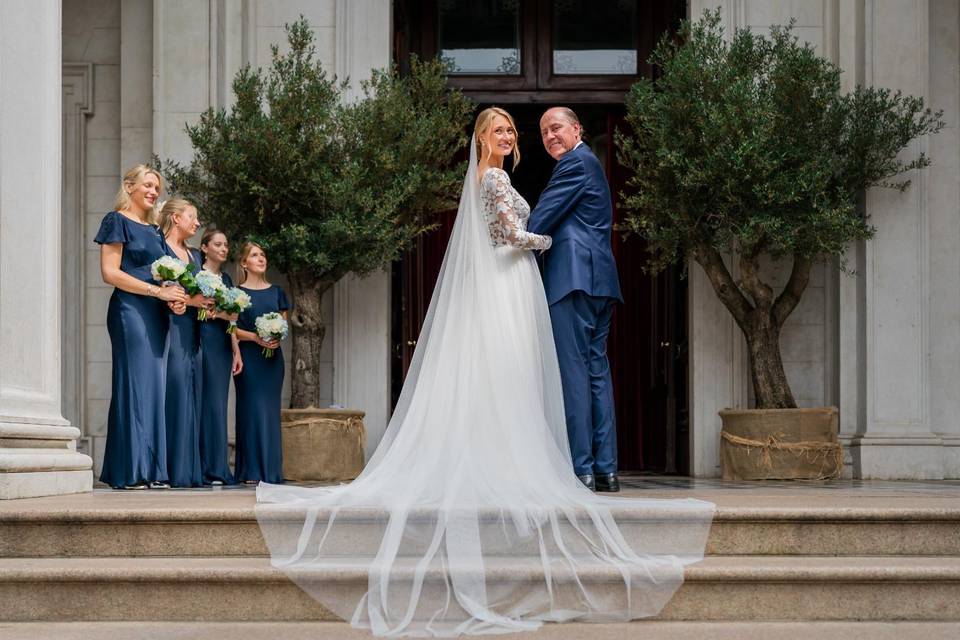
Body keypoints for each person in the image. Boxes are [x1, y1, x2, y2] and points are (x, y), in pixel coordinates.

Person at [254, 108, 714, 637]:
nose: (529, 137)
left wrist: (534, 235)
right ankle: (591, 467)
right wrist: (536, 239)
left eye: (538, 130)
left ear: (577, 131)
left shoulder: (552, 168)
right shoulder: (499, 176)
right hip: (539, 278)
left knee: (567, 373)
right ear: (481, 138)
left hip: (559, 279)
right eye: (515, 131)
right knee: (571, 373)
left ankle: (590, 467)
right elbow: (516, 233)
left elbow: (530, 224)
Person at [528, 107, 624, 493]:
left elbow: (539, 223)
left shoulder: (573, 165)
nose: (550, 136)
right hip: (600, 282)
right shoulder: (592, 163)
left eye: (556, 128)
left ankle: (579, 468)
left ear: (576, 129)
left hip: (571, 281)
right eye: (544, 132)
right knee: (596, 374)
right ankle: (606, 470)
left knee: (573, 375)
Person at [95, 165, 187, 490]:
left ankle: (153, 470)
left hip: (157, 314)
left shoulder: (155, 231)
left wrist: (174, 298)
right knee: (135, 385)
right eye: (148, 185)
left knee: (154, 390)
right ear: (129, 186)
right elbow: (110, 272)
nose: (153, 191)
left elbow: (167, 274)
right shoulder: (115, 220)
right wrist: (155, 291)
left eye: (156, 187)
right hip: (130, 311)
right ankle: (131, 470)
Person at [158, 198, 210, 488]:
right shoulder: (160, 247)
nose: (197, 223)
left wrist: (207, 303)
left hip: (193, 328)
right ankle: (169, 469)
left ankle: (189, 470)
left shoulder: (194, 256)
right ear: (176, 218)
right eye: (193, 217)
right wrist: (192, 300)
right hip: (169, 326)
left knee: (192, 392)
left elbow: (197, 291)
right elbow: (162, 289)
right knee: (174, 390)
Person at [233, 242, 289, 484]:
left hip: (273, 362)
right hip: (248, 360)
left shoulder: (277, 293)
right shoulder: (237, 293)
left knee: (269, 412)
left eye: (263, 254)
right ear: (244, 263)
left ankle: (271, 471)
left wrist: (275, 337)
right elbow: (231, 328)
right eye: (255, 255)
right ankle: (251, 471)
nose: (261, 258)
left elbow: (283, 326)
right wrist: (256, 337)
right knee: (251, 411)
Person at [198, 228, 242, 485]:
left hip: (221, 345)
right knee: (200, 404)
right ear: (205, 247)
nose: (224, 248)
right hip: (200, 339)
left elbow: (232, 319)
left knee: (217, 404)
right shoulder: (195, 273)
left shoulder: (226, 279)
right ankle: (200, 466)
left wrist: (236, 350)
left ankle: (217, 466)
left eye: (226, 244)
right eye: (218, 244)